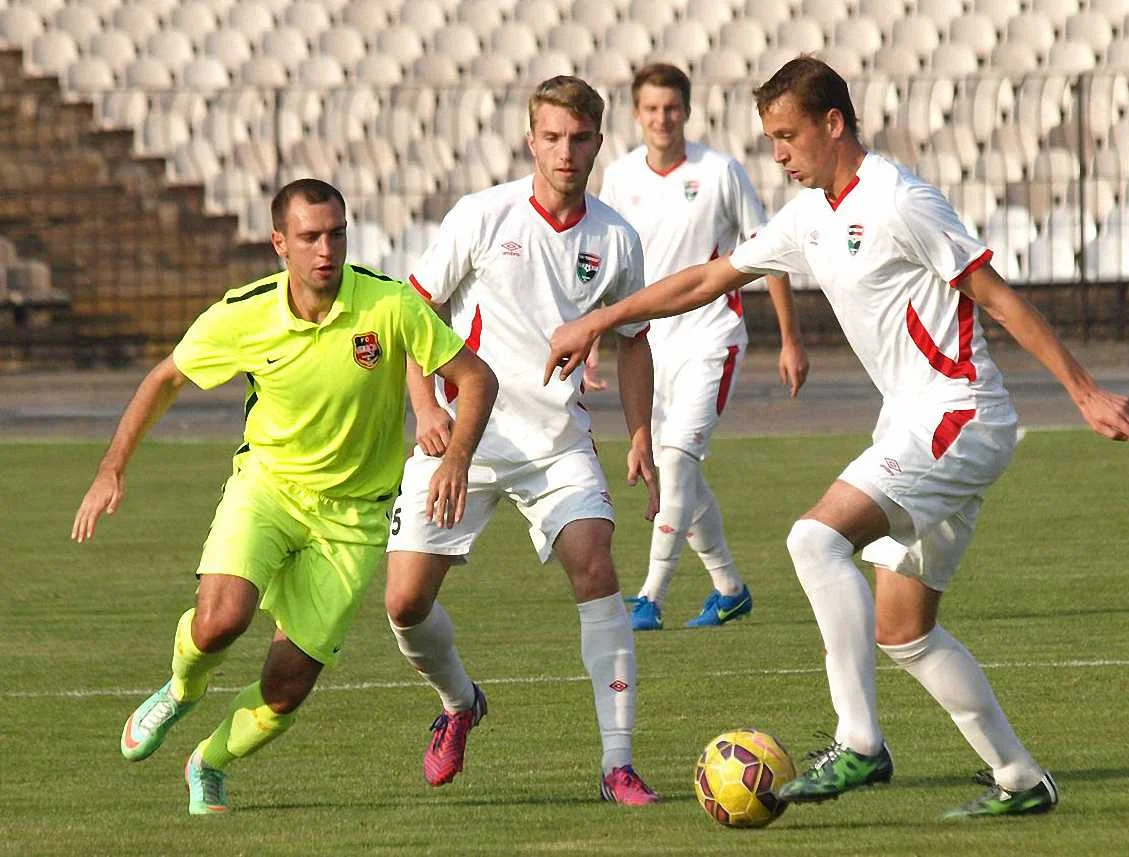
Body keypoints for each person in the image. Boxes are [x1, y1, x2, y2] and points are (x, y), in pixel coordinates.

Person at [544, 57, 1129, 819]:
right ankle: (1021, 778)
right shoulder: (809, 215)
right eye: (770, 139)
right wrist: (601, 319)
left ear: (833, 124)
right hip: (914, 421)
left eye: (788, 135)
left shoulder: (900, 199)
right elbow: (707, 279)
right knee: (905, 631)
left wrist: (1085, 391)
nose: (778, 153)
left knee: (813, 539)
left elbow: (996, 296)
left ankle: (859, 741)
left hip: (956, 413)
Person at [71, 179, 497, 815]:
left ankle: (209, 762)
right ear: (280, 243)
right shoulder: (245, 313)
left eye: (336, 234)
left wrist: (455, 457)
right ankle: (182, 690)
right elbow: (165, 379)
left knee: (286, 688)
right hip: (267, 489)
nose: (326, 249)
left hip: (353, 517)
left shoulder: (389, 305)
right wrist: (112, 467)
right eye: (310, 237)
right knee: (219, 622)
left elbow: (477, 377)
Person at [384, 76, 660, 805]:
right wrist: (425, 407)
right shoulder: (483, 215)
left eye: (580, 139)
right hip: (461, 440)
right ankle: (459, 702)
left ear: (598, 143)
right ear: (530, 140)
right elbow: (412, 311)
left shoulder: (616, 238)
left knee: (595, 565)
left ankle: (618, 764)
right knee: (405, 603)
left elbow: (634, 341)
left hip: (555, 443)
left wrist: (640, 433)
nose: (566, 152)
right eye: (553, 137)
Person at [597, 63, 809, 631]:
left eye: (671, 107)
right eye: (651, 108)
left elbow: (769, 252)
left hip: (711, 337)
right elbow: (604, 265)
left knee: (675, 461)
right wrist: (594, 338)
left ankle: (651, 597)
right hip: (648, 348)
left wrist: (790, 339)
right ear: (636, 115)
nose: (662, 118)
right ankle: (730, 589)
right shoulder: (618, 178)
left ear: (687, 111)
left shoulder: (719, 172)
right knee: (678, 475)